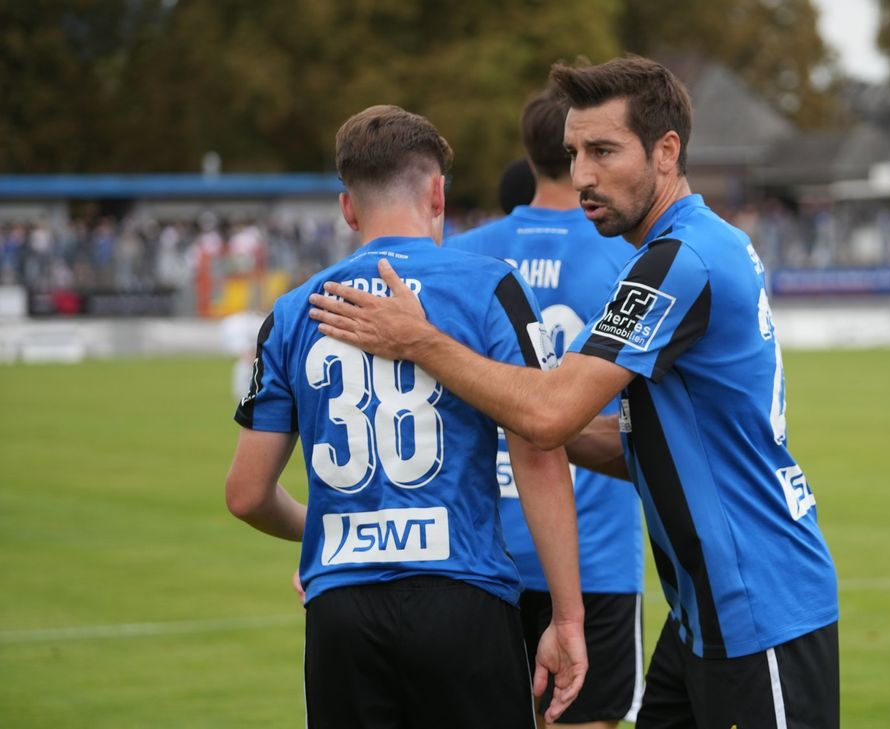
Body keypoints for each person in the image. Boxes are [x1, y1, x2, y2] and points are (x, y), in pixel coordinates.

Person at [309, 57, 840, 729]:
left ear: (666, 151)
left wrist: (421, 342)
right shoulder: (687, 246)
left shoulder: (680, 261)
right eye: (573, 153)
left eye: (603, 151)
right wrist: (480, 408)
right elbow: (636, 442)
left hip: (760, 606)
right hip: (705, 613)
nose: (583, 174)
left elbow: (551, 412)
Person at [225, 104, 587, 728]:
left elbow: (246, 494)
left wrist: (328, 532)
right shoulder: (488, 286)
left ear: (348, 208)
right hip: (464, 597)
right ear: (438, 193)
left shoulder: (292, 312)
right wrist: (568, 616)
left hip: (342, 611)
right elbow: (538, 452)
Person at [446, 88, 643, 729]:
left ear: (529, 157)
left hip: (476, 554)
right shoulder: (632, 256)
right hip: (592, 556)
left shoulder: (463, 256)